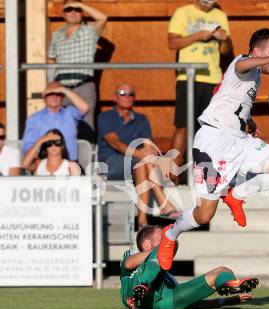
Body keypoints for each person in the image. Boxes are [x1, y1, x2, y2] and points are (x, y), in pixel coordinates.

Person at [157, 28, 269, 270]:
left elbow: (233, 101)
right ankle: (170, 234)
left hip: (239, 139)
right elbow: (242, 66)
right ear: (257, 51)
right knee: (204, 215)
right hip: (213, 142)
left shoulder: (255, 73)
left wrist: (248, 122)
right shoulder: (242, 62)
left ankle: (236, 194)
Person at [97, 84, 181, 227]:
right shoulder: (105, 117)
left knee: (143, 163)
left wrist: (150, 157)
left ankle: (142, 220)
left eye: (131, 94)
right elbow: (114, 142)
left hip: (137, 164)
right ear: (115, 97)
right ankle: (163, 204)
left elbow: (148, 146)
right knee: (143, 161)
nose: (127, 97)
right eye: (123, 93)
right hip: (111, 162)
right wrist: (141, 154)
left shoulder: (142, 119)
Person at [120, 225, 258, 309]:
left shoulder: (168, 278)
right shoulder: (131, 255)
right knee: (166, 246)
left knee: (223, 270)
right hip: (135, 290)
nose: (167, 239)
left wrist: (227, 301)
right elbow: (129, 264)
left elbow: (190, 304)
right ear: (146, 244)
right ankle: (142, 287)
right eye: (162, 237)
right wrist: (163, 247)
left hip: (165, 302)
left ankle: (226, 284)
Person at [168, 0, 232, 180]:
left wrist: (224, 39)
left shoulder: (220, 15)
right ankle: (172, 174)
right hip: (188, 77)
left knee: (210, 128)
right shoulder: (182, 12)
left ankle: (207, 174)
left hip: (213, 78)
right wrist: (199, 36)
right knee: (183, 126)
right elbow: (172, 43)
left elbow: (226, 51)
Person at [48, 0, 108, 142]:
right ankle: (65, 163)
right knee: (62, 129)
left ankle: (87, 163)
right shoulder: (57, 35)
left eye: (77, 9)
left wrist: (81, 5)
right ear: (63, 13)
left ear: (82, 12)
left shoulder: (89, 31)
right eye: (69, 9)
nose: (74, 12)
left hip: (83, 85)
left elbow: (103, 18)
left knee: (86, 126)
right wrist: (51, 84)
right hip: (61, 88)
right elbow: (51, 60)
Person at [22, 82, 89, 163]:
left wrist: (64, 90)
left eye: (58, 94)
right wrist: (40, 166)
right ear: (44, 97)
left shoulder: (70, 113)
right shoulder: (34, 119)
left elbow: (85, 108)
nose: (54, 97)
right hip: (45, 165)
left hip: (70, 165)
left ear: (63, 97)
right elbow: (28, 148)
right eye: (51, 94)